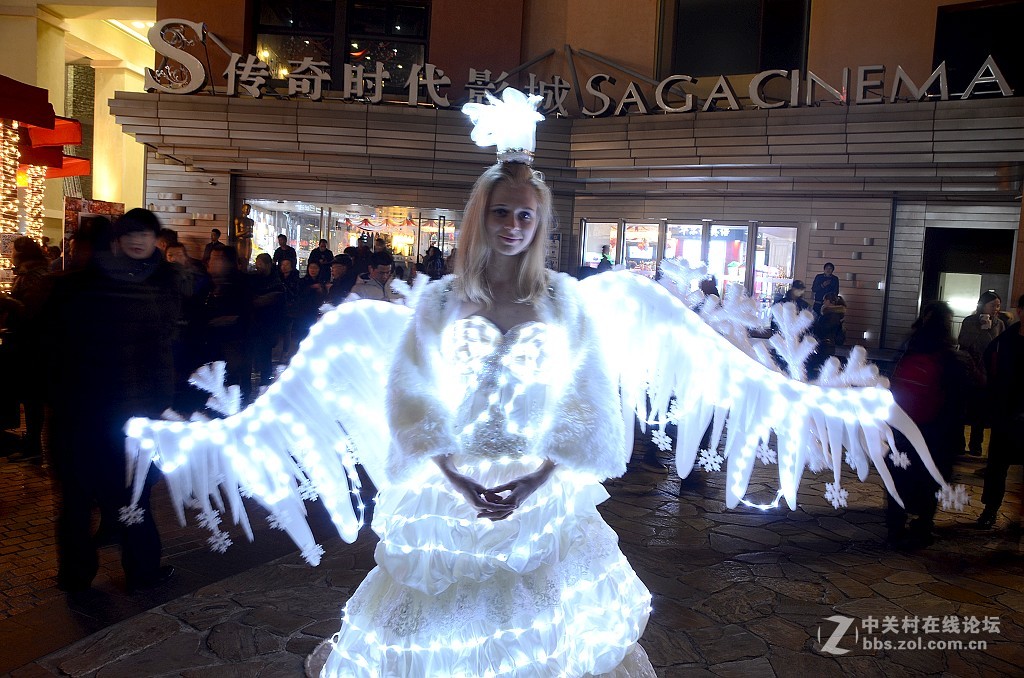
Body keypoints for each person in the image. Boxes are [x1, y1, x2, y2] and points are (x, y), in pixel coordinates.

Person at [320, 159, 652, 676]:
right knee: (442, 610)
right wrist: (453, 475)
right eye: (501, 212)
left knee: (539, 610)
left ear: (539, 222)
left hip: (538, 483)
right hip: (454, 480)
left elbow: (585, 392)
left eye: (525, 215)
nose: (513, 226)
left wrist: (537, 479)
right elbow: (413, 390)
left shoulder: (562, 299)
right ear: (480, 216)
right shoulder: (442, 300)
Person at [44, 208, 180, 592]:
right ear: (116, 241)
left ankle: (135, 571)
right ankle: (84, 574)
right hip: (82, 412)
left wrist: (160, 409)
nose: (139, 241)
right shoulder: (79, 287)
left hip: (127, 416)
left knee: (127, 498)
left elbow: (161, 356)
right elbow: (51, 349)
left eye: (147, 233)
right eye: (130, 233)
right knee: (82, 499)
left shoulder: (157, 284)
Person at [886, 302, 977, 548]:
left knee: (898, 475)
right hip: (936, 431)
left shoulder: (909, 346)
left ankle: (894, 525)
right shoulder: (949, 356)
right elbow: (960, 397)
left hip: (903, 427)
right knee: (931, 478)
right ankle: (922, 527)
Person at [977, 294, 1024, 528]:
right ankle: (990, 509)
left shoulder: (1005, 339)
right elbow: (989, 367)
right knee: (997, 466)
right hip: (1005, 413)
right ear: (1020, 312)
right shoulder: (1005, 340)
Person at [957, 290, 1005, 456]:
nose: (996, 309)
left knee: (980, 411)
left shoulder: (999, 324)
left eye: (998, 306)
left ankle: (976, 446)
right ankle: (959, 444)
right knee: (962, 410)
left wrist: (989, 330)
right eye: (993, 305)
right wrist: (980, 329)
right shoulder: (969, 321)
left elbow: (998, 347)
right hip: (968, 371)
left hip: (986, 374)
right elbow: (963, 343)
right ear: (982, 304)